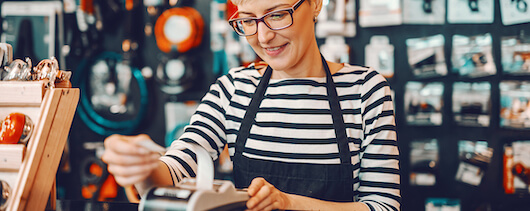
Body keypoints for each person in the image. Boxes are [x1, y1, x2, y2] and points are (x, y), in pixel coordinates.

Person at [101, 0, 401, 210]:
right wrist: (141, 170)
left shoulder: (365, 90)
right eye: (247, 20)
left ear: (316, 4)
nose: (263, 36)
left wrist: (288, 203)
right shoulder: (233, 89)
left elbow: (382, 206)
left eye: (277, 15)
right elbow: (175, 170)